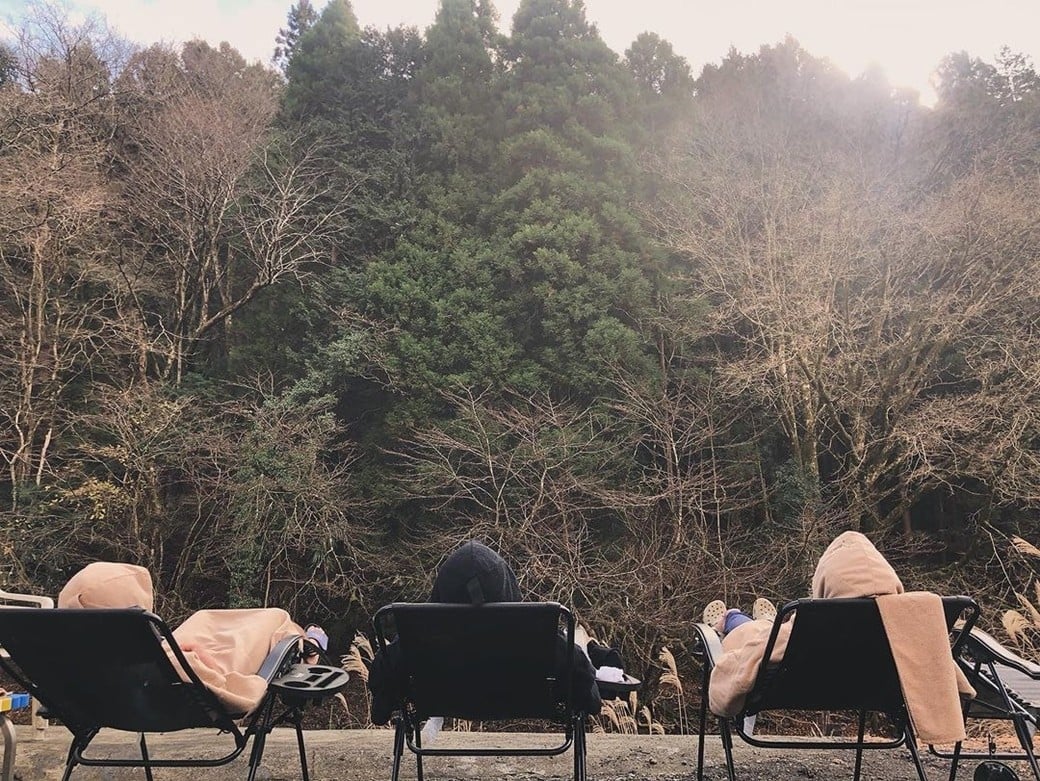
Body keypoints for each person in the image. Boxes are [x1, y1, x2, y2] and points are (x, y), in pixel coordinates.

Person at [701, 531, 975, 746]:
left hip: (797, 662)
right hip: (871, 689)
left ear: (825, 582)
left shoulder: (810, 622)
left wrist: (726, 672)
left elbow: (744, 662)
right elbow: (943, 667)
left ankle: (730, 620)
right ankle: (761, 620)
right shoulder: (913, 630)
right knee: (770, 630)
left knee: (755, 632)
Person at [367, 540, 603, 725]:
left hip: (444, 701)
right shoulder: (536, 634)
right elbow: (585, 684)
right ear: (506, 583)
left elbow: (380, 676)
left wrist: (384, 704)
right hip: (520, 701)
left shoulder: (420, 636)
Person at [58, 561, 326, 715]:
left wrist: (173, 649)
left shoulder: (68, 661)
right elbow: (222, 684)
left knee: (204, 617)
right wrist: (198, 655)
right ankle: (309, 645)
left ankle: (305, 640)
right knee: (273, 618)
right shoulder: (142, 660)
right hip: (192, 674)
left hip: (154, 664)